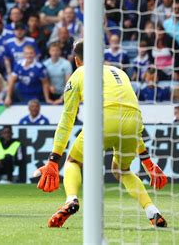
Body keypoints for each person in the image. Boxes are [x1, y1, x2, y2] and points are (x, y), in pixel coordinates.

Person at [34, 40, 168, 228]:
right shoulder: (120, 72)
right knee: (122, 170)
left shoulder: (78, 74)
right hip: (134, 121)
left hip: (104, 118)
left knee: (73, 161)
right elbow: (129, 111)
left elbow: (67, 120)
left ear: (76, 60)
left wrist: (53, 159)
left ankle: (71, 200)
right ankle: (152, 211)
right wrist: (147, 161)